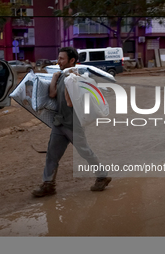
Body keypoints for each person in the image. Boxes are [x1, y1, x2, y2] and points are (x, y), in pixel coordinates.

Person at [32, 47, 111, 197]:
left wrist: (71, 85)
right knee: (52, 155)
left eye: (61, 59)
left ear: (72, 61)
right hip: (59, 123)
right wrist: (55, 78)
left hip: (73, 124)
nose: (58, 61)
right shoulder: (62, 76)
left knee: (85, 152)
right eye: (59, 58)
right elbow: (52, 94)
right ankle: (48, 184)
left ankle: (102, 176)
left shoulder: (76, 78)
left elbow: (70, 103)